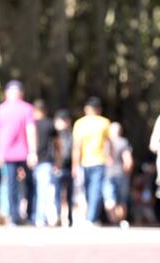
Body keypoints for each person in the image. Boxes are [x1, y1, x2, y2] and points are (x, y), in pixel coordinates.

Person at [0, 80, 37, 226]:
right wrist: (33, 152)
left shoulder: (1, 110)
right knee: (24, 184)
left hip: (15, 153)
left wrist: (32, 152)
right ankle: (23, 215)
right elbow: (31, 131)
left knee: (13, 185)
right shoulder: (26, 109)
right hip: (12, 153)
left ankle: (17, 217)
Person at [72, 97, 111, 226]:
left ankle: (91, 216)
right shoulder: (105, 122)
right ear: (99, 109)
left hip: (84, 161)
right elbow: (108, 143)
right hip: (99, 160)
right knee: (95, 189)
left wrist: (74, 164)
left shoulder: (80, 123)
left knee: (89, 189)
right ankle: (91, 217)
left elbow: (76, 146)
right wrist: (109, 157)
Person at [32, 100, 58, 227]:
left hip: (29, 161)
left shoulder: (30, 124)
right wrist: (58, 161)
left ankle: (33, 216)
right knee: (43, 191)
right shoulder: (50, 124)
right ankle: (39, 218)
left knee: (30, 191)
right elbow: (58, 144)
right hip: (46, 161)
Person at [103, 122, 133, 228]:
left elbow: (106, 158)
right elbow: (128, 160)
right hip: (121, 173)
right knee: (121, 199)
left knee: (109, 198)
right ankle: (120, 221)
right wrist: (127, 171)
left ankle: (114, 221)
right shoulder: (124, 142)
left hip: (108, 173)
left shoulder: (105, 142)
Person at [52, 110, 74, 227]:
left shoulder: (72, 135)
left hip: (69, 167)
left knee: (70, 194)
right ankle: (58, 215)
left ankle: (70, 218)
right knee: (57, 193)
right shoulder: (53, 134)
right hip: (57, 167)